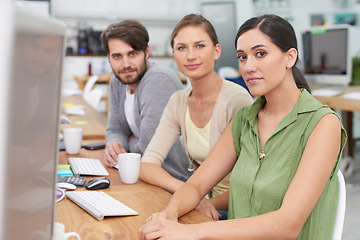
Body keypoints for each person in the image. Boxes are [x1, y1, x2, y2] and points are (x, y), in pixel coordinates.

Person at [139, 14, 347, 239]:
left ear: (290, 57)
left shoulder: (323, 124)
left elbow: (287, 225)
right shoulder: (244, 119)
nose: (248, 67)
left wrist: (190, 231)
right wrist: (169, 214)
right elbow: (196, 186)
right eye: (242, 57)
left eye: (260, 54)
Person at [139, 14, 253, 220]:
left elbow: (254, 183)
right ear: (173, 54)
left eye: (199, 46)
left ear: (216, 51)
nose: (190, 56)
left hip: (238, 209)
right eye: (182, 48)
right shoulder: (178, 101)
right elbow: (147, 166)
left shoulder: (237, 100)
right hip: (203, 204)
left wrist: (200, 199)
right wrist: (190, 193)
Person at [100, 20, 190, 182]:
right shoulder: (118, 80)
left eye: (132, 54)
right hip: (138, 174)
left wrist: (129, 142)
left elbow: (148, 147)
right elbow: (115, 128)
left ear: (146, 52)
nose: (125, 64)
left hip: (171, 180)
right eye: (117, 56)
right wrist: (115, 145)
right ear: (109, 58)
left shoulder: (158, 79)